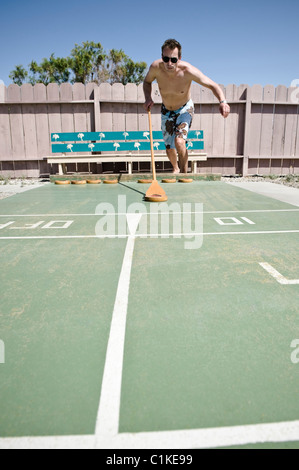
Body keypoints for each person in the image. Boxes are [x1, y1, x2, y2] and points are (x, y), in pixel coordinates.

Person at [143, 39, 230, 173]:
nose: (169, 63)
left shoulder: (188, 71)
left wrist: (223, 101)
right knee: (169, 146)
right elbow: (147, 81)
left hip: (184, 109)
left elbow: (212, 84)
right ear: (162, 57)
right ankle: (176, 168)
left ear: (179, 58)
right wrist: (148, 97)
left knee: (179, 142)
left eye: (173, 59)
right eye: (166, 59)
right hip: (166, 111)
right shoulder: (156, 68)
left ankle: (184, 174)